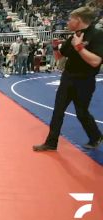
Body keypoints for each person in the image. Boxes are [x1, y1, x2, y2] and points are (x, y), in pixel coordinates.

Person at [33, 6, 103, 151]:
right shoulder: (73, 36)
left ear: (78, 20)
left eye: (70, 19)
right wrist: (55, 48)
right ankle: (51, 143)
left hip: (85, 81)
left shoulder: (97, 35)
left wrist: (79, 47)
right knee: (58, 110)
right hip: (67, 78)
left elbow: (96, 61)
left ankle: (95, 136)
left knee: (81, 112)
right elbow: (60, 57)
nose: (68, 22)